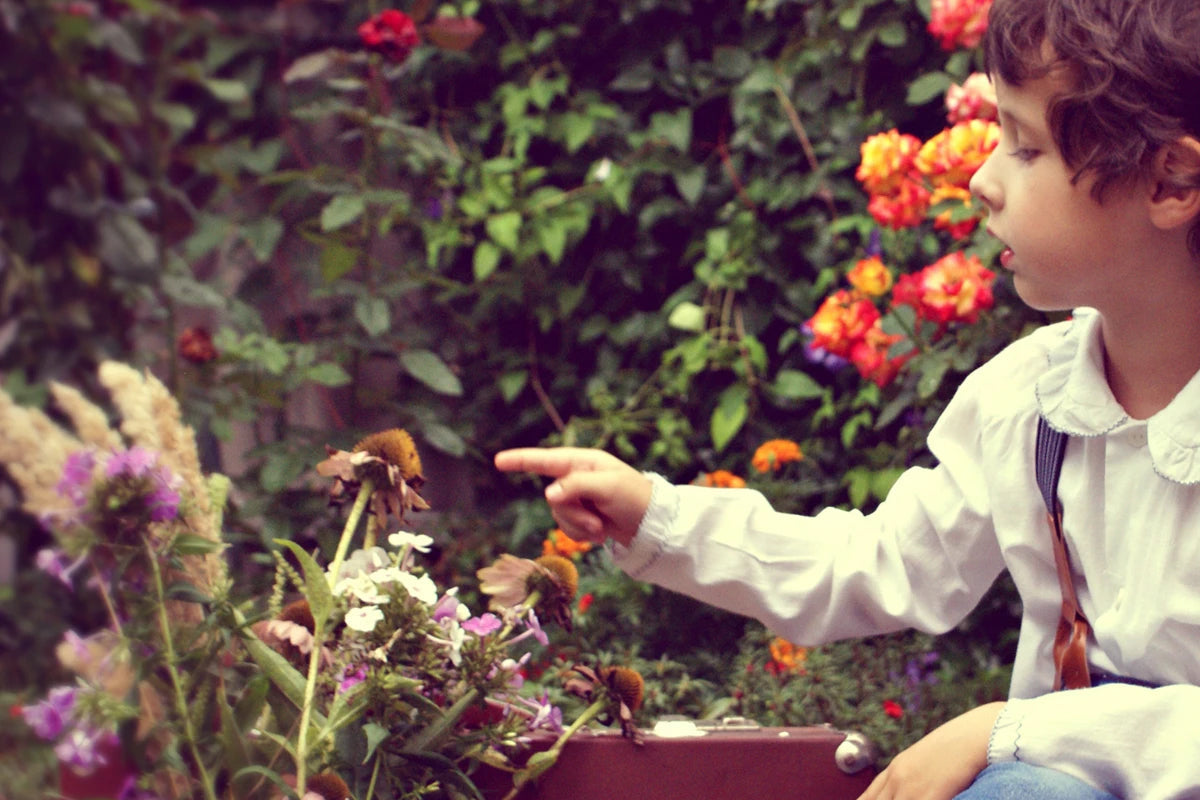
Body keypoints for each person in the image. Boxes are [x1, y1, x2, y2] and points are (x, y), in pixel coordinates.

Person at [495, 0, 1200, 797]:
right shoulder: (1031, 402)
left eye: (1027, 146)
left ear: (1171, 180)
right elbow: (877, 564)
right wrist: (658, 516)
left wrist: (1009, 729)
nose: (981, 178)